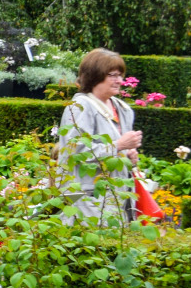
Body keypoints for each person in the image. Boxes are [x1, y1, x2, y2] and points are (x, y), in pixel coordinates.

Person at [58, 48, 143, 216]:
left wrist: (128, 156)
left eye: (120, 75)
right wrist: (118, 146)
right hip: (88, 201)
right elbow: (76, 154)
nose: (119, 81)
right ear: (94, 76)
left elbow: (115, 153)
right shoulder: (80, 107)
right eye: (112, 75)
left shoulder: (123, 109)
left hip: (119, 199)